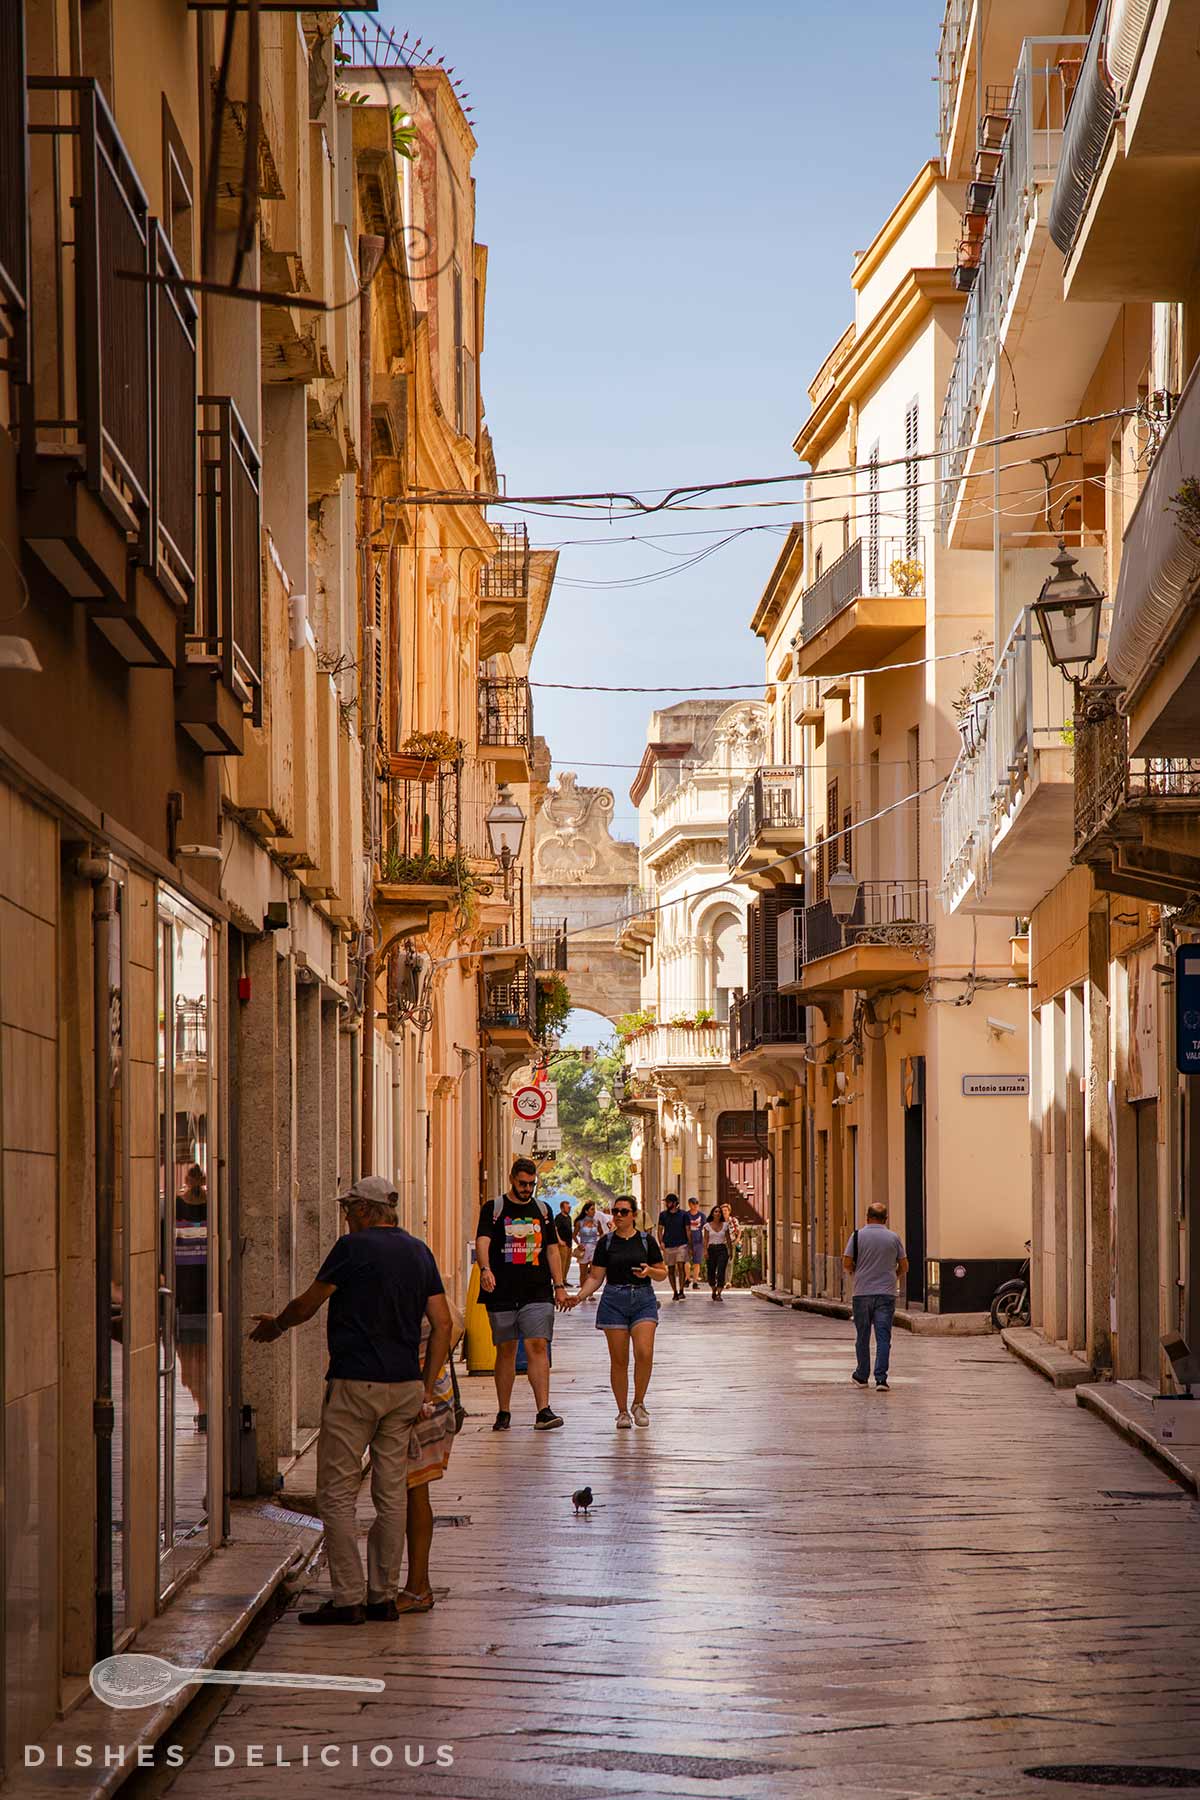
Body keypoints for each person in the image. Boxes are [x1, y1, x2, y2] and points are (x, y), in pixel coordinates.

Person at [249, 1175, 452, 1626]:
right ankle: (382, 1595)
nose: (345, 1217)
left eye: (348, 1209)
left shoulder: (351, 1249)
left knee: (337, 1494)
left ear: (364, 1210)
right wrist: (425, 1381)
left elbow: (308, 1304)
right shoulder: (419, 1251)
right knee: (391, 1491)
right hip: (404, 1387)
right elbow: (443, 1323)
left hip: (354, 1383)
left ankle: (347, 1599)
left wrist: (277, 1324)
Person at [475, 1157, 568, 1432]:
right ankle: (503, 1410)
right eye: (523, 1184)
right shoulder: (494, 1209)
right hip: (501, 1291)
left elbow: (551, 1249)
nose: (527, 1189)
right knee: (506, 1350)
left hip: (537, 1290)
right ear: (512, 1180)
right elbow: (483, 1240)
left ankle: (543, 1410)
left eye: (531, 1184)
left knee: (537, 1345)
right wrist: (485, 1269)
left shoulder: (543, 1210)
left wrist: (559, 1285)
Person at [566, 1197, 666, 1427]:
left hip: (643, 1298)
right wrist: (579, 1297)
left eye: (624, 1211)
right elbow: (595, 1277)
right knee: (619, 1359)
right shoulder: (606, 1243)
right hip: (614, 1300)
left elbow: (662, 1273)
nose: (618, 1215)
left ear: (634, 1215)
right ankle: (622, 1411)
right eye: (615, 1211)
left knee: (644, 1352)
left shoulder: (646, 1241)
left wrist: (649, 1270)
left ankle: (638, 1403)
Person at [395, 1297, 465, 1615]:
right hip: (432, 1391)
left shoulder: (405, 1266)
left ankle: (418, 1587)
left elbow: (452, 1324)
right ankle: (417, 1585)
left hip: (422, 1398)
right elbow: (456, 1322)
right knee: (413, 1490)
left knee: (414, 1489)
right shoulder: (419, 1261)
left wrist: (425, 1376)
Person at [843, 1202, 908, 1391]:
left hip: (862, 1293)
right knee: (883, 1337)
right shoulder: (893, 1238)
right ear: (886, 1219)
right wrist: (892, 1276)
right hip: (886, 1294)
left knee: (862, 1336)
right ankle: (881, 1379)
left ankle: (862, 1376)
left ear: (867, 1217)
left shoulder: (857, 1236)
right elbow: (904, 1266)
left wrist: (856, 1272)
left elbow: (846, 1261)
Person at [656, 1193, 691, 1300]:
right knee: (670, 1269)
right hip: (668, 1245)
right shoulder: (663, 1215)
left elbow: (688, 1230)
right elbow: (660, 1229)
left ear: (675, 1203)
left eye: (669, 1202)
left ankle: (681, 1290)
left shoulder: (684, 1215)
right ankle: (674, 1291)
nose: (667, 1204)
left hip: (682, 1244)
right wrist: (661, 1241)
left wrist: (690, 1244)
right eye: (666, 1202)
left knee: (681, 1266)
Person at [704, 1203, 733, 1300]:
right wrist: (705, 1251)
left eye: (719, 1212)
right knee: (711, 1272)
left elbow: (728, 1239)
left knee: (721, 1271)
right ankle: (713, 1288)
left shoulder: (725, 1225)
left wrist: (730, 1251)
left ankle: (719, 1293)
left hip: (722, 1249)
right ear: (712, 1213)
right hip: (711, 1249)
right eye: (716, 1211)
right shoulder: (707, 1226)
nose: (718, 1213)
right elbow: (706, 1240)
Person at [574, 1201, 601, 1297]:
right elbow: (574, 1235)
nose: (594, 1211)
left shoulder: (596, 1222)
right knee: (583, 1272)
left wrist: (599, 1242)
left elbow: (601, 1234)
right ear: (586, 1211)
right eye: (592, 1209)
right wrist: (579, 1244)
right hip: (584, 1248)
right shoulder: (579, 1222)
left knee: (592, 1272)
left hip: (594, 1248)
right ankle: (582, 1292)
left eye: (594, 1209)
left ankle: (590, 1293)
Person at [684, 1196, 706, 1290]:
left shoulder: (702, 1216)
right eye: (693, 1203)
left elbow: (704, 1229)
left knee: (697, 1262)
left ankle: (695, 1281)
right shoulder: (686, 1215)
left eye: (697, 1203)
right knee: (686, 1261)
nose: (695, 1205)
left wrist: (705, 1242)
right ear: (689, 1204)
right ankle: (687, 1278)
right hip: (686, 1241)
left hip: (698, 1241)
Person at [554, 1199, 576, 1286]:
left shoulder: (569, 1218)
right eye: (567, 1207)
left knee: (567, 1263)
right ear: (562, 1208)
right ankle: (559, 1281)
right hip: (562, 1244)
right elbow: (555, 1229)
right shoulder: (558, 1217)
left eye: (569, 1207)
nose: (569, 1209)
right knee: (561, 1264)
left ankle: (564, 1279)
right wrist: (559, 1241)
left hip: (569, 1243)